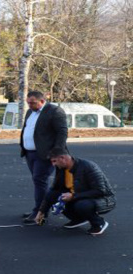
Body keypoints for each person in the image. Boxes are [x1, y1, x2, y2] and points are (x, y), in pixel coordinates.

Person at [35, 148, 116, 235]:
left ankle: (98, 223)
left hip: (103, 199)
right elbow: (54, 190)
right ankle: (78, 219)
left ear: (63, 158)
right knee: (54, 196)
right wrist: (41, 212)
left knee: (81, 205)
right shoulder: (61, 168)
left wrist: (73, 196)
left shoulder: (88, 166)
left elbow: (100, 191)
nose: (53, 164)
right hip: (78, 195)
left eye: (54, 161)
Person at [20, 91, 68, 224]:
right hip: (30, 154)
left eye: (33, 103)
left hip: (45, 154)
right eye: (28, 102)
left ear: (42, 101)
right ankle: (40, 209)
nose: (29, 105)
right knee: (39, 182)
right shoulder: (30, 112)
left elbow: (62, 132)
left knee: (39, 180)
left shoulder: (54, 111)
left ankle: (39, 213)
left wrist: (56, 152)